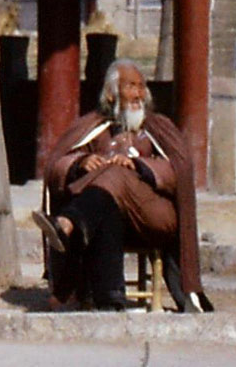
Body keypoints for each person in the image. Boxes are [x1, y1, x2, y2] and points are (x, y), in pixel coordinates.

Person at [34, 59, 215, 312]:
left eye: (142, 87)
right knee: (106, 200)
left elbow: (180, 171)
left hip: (154, 216)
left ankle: (67, 223)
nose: (139, 93)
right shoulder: (92, 126)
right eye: (131, 86)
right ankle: (110, 298)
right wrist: (81, 162)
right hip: (105, 217)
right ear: (111, 93)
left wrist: (137, 165)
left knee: (115, 173)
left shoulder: (158, 127)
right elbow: (56, 165)